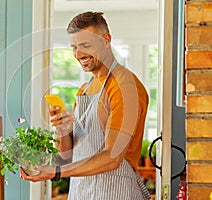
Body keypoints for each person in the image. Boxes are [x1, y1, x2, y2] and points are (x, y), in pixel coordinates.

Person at [21, 11, 150, 200]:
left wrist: (56, 172)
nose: (78, 54)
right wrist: (63, 129)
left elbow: (113, 157)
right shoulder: (84, 90)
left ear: (106, 40)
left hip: (115, 192)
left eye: (85, 45)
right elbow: (67, 156)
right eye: (74, 47)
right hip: (81, 191)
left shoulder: (125, 86)